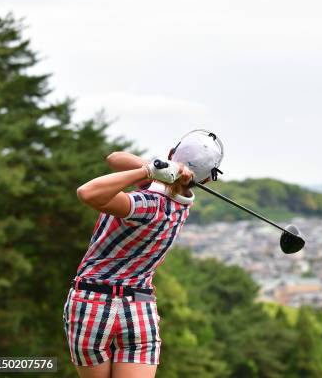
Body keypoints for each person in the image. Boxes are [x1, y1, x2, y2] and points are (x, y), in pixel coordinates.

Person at [63, 130, 224, 378]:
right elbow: (114, 157)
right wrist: (161, 169)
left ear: (172, 153)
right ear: (206, 181)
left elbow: (87, 192)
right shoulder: (180, 206)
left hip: (91, 302)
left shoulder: (147, 203)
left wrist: (149, 170)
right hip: (140, 305)